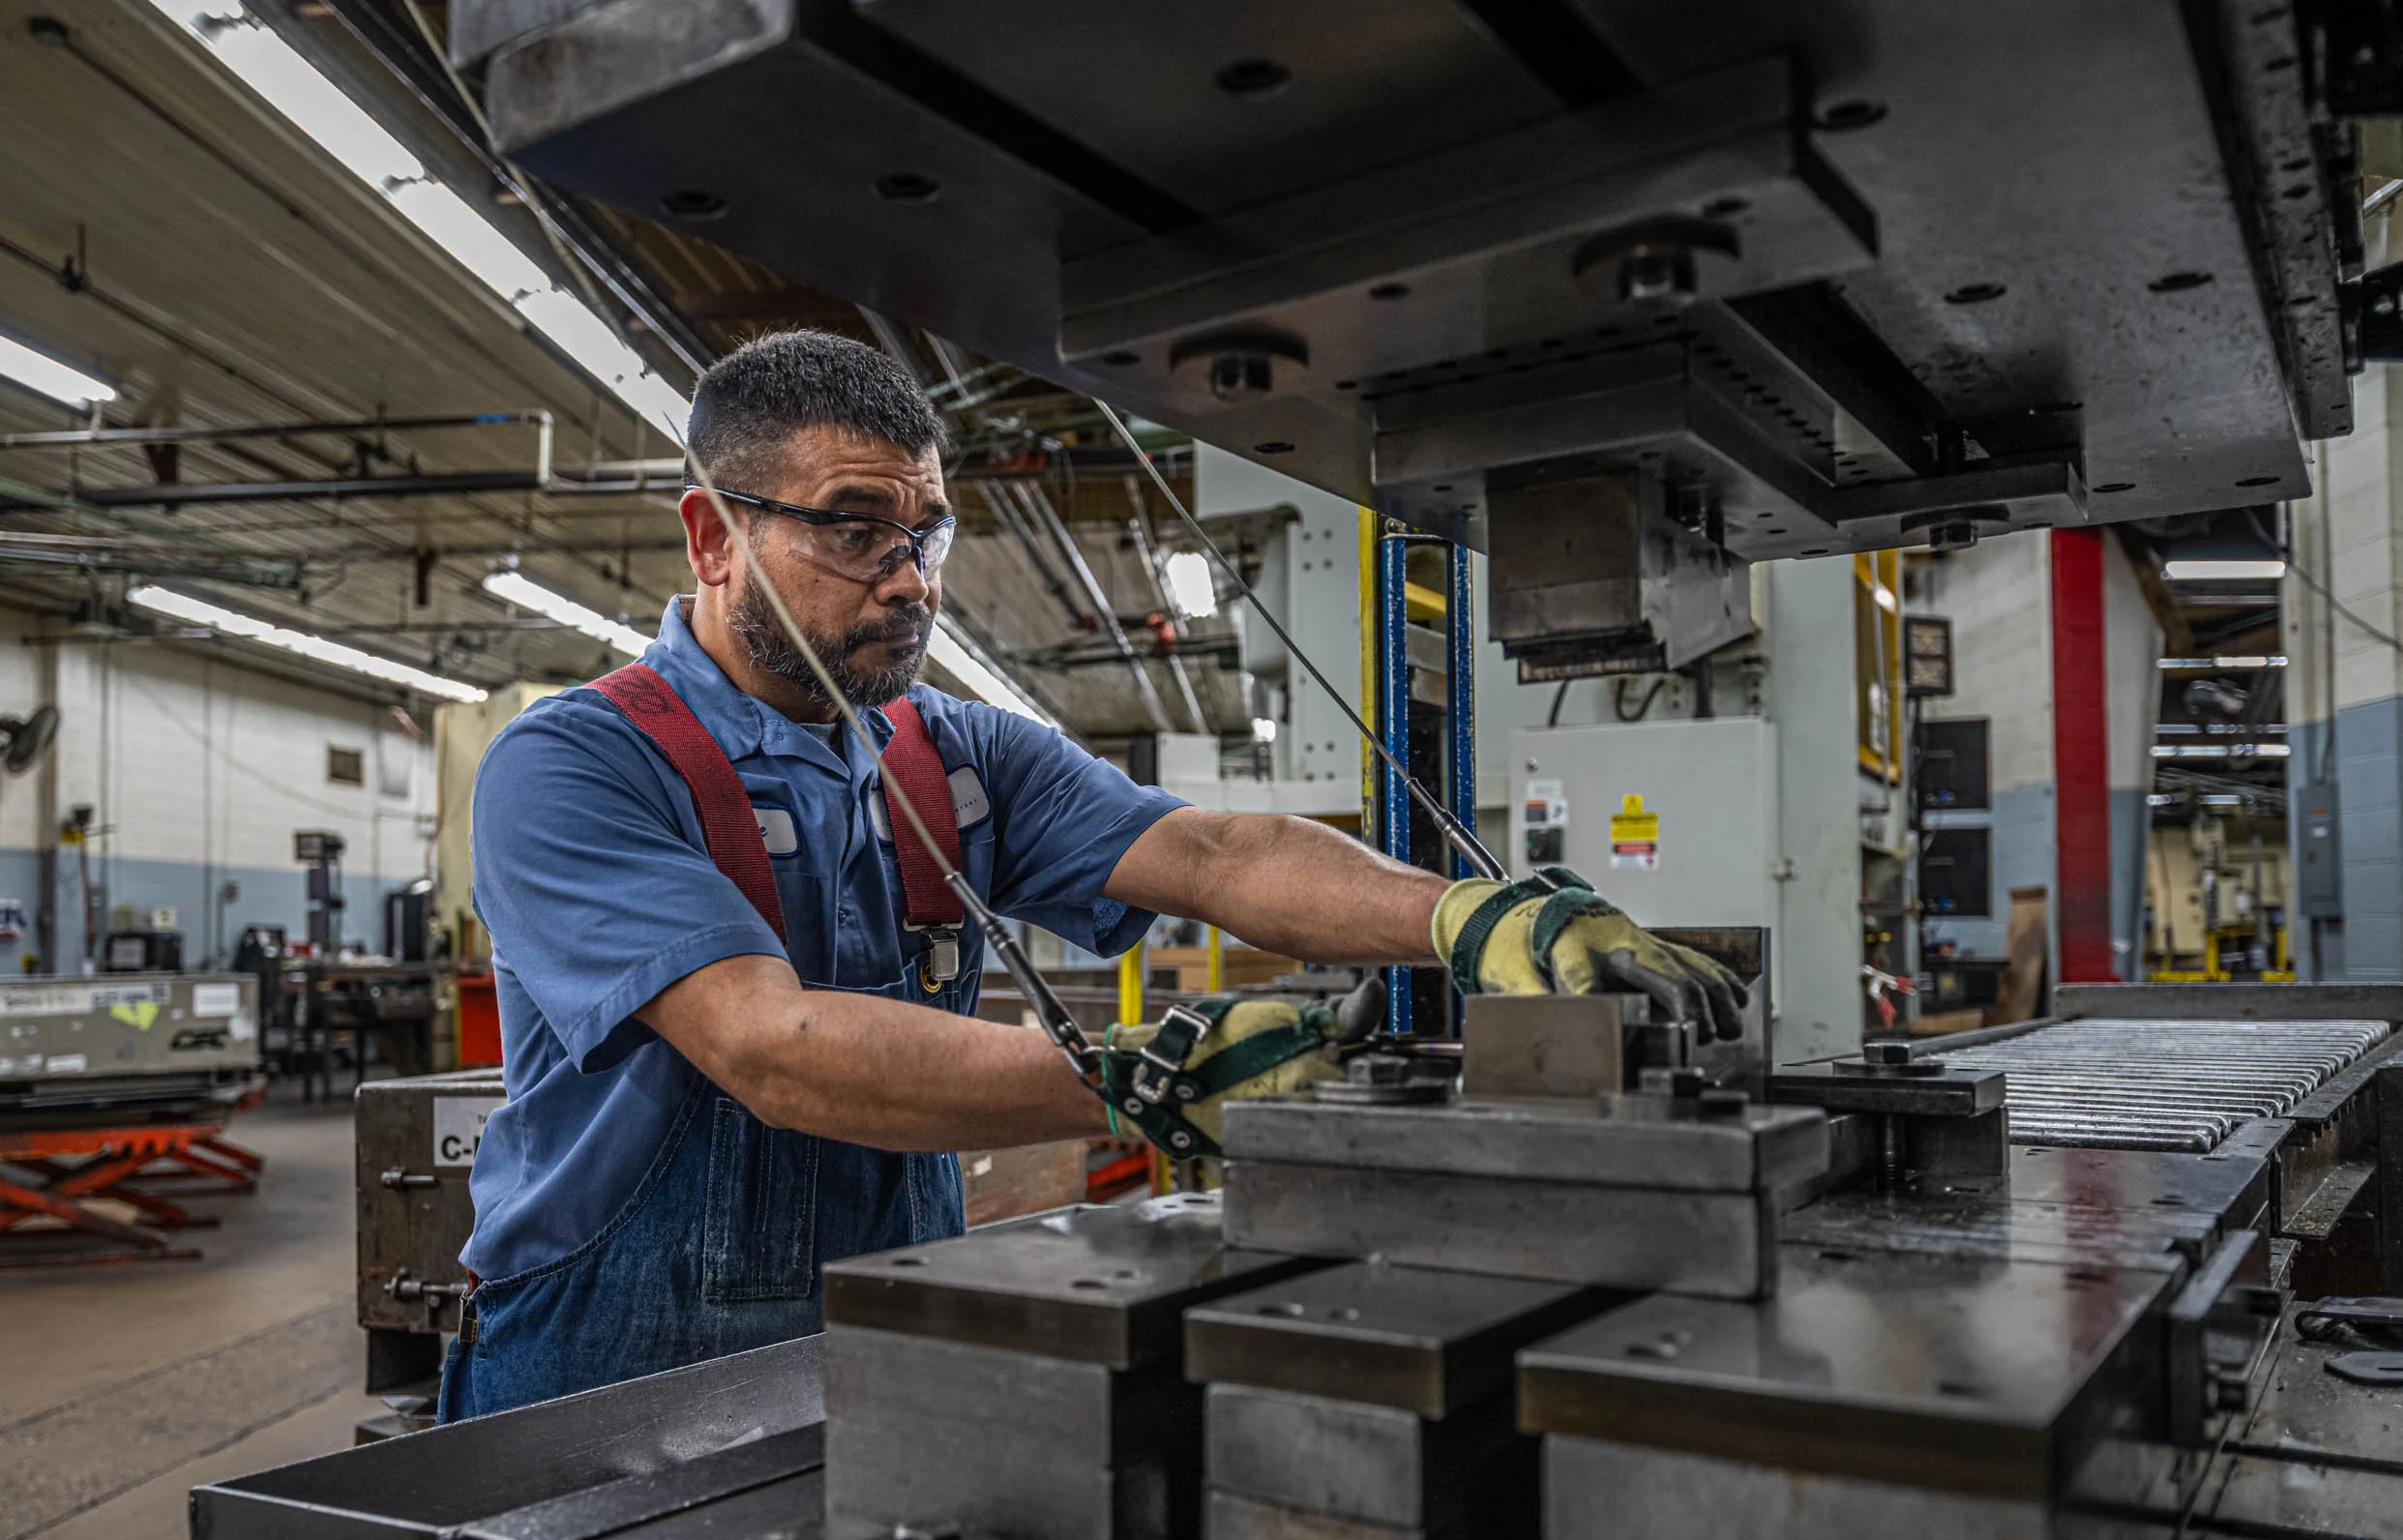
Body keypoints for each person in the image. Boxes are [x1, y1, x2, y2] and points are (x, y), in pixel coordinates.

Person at [441, 330, 1743, 1419]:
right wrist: (1145, 1079)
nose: (909, 583)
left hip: (890, 1332)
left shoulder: (951, 753)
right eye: (855, 530)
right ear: (713, 537)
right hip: (603, 1381)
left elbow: (1214, 853)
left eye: (928, 534)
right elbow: (768, 1046)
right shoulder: (576, 765)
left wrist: (1469, 914)